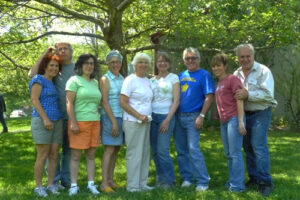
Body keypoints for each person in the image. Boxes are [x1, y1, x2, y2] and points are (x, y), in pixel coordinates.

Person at [29, 42, 75, 189]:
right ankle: (52, 182)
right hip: (48, 118)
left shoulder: (75, 69)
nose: (62, 51)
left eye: (65, 49)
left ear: (70, 52)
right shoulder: (48, 72)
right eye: (59, 49)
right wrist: (46, 53)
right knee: (46, 153)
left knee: (64, 151)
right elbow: (32, 75)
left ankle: (65, 181)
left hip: (66, 117)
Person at [233, 43, 277, 196]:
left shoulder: (263, 71)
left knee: (258, 146)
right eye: (241, 57)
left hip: (261, 112)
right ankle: (254, 178)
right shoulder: (236, 73)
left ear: (253, 56)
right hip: (244, 114)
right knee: (248, 148)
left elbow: (268, 95)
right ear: (237, 58)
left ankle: (265, 182)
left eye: (247, 56)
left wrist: (248, 95)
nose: (245, 59)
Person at [174, 47, 215, 192]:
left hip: (194, 116)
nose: (190, 61)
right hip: (178, 116)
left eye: (193, 58)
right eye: (187, 58)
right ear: (184, 60)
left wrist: (202, 116)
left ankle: (203, 181)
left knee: (193, 149)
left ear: (198, 59)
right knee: (181, 150)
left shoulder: (204, 75)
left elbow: (209, 97)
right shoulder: (180, 75)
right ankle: (187, 178)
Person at [66, 53, 101, 196]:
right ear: (80, 66)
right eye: (86, 63)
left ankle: (91, 184)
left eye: (92, 63)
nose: (89, 66)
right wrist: (73, 122)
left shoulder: (95, 82)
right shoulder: (74, 80)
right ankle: (73, 186)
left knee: (91, 155)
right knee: (75, 155)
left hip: (95, 122)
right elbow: (69, 103)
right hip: (79, 122)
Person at [211, 53, 247, 192]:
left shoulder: (232, 79)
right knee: (228, 154)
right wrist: (218, 113)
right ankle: (233, 180)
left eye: (218, 65)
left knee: (235, 153)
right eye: (213, 66)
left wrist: (240, 121)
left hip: (234, 119)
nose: (215, 68)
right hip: (224, 121)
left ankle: (237, 186)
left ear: (225, 66)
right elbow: (225, 101)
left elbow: (239, 99)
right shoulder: (219, 82)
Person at [29, 53, 63, 197]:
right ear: (45, 66)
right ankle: (38, 187)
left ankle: (51, 184)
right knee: (42, 155)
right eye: (51, 65)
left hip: (57, 121)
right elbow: (34, 99)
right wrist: (45, 119)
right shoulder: (38, 79)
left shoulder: (54, 83)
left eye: (56, 66)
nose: (54, 68)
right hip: (42, 121)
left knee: (54, 155)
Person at [120, 52, 153, 192]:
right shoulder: (130, 80)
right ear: (134, 65)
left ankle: (142, 183)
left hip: (146, 122)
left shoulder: (147, 80)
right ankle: (132, 186)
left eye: (146, 62)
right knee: (134, 153)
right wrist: (139, 116)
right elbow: (122, 102)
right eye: (140, 62)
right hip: (133, 121)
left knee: (144, 153)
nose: (143, 65)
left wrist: (145, 117)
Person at [150, 51, 179, 188]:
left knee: (162, 150)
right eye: (159, 61)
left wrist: (167, 120)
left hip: (165, 116)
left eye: (165, 61)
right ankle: (160, 178)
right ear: (156, 64)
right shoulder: (152, 80)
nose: (162, 63)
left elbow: (176, 101)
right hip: (152, 117)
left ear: (169, 63)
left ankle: (169, 180)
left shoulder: (173, 78)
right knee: (155, 151)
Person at [99, 50, 124, 193]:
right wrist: (113, 121)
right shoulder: (105, 79)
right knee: (109, 149)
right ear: (108, 63)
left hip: (121, 116)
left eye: (117, 61)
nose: (115, 64)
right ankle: (103, 183)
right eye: (112, 62)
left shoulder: (122, 78)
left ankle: (110, 180)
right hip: (110, 117)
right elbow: (105, 101)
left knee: (116, 149)